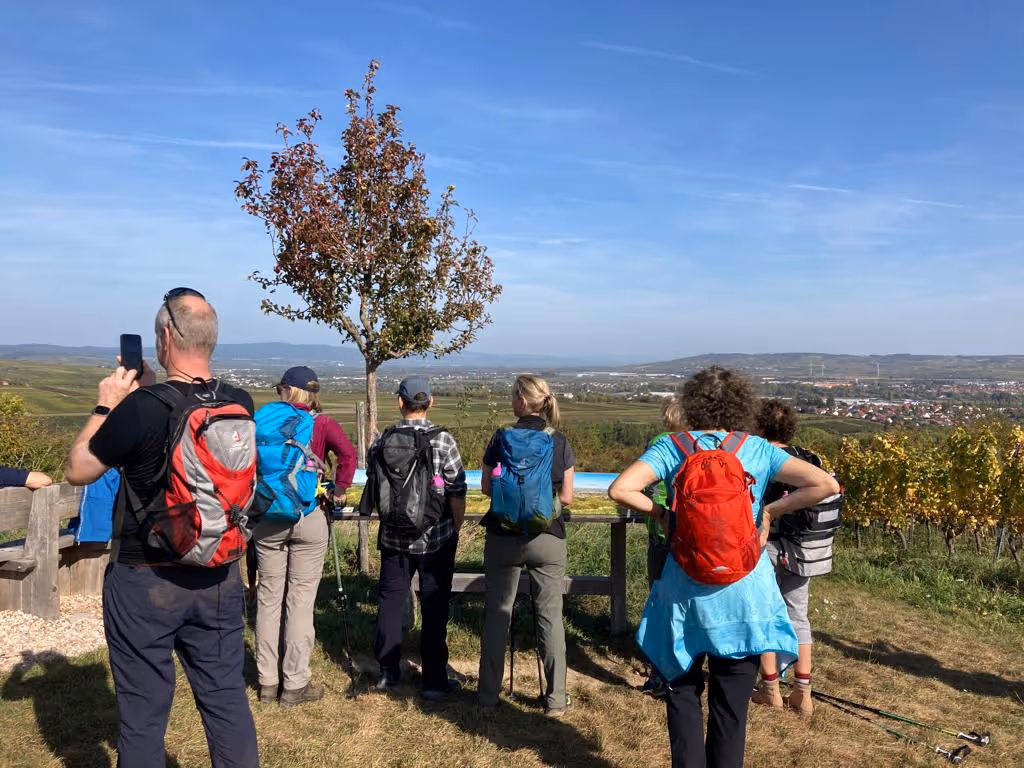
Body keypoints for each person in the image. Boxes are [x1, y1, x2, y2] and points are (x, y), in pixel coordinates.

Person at [64, 288, 259, 768]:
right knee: (226, 701)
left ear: (165, 338)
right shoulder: (240, 401)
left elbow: (78, 468)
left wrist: (108, 404)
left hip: (145, 576)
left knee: (143, 715)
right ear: (209, 340)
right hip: (218, 571)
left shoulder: (141, 406)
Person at [608, 366, 838, 768]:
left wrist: (663, 515)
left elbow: (620, 489)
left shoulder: (673, 446)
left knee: (682, 694)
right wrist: (768, 512)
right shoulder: (757, 449)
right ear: (741, 406)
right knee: (731, 708)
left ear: (693, 403)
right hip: (745, 596)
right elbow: (825, 485)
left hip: (684, 593)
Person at [253, 366, 356, 707]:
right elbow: (348, 454)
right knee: (300, 601)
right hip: (309, 515)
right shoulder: (321, 424)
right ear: (312, 393)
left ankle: (267, 681)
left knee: (268, 599)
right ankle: (295, 683)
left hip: (268, 518)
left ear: (283, 390)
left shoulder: (263, 421)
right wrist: (338, 489)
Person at [478, 374, 575, 716]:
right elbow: (566, 496)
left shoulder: (501, 436)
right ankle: (556, 700)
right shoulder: (558, 439)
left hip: (503, 536)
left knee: (496, 616)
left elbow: (487, 488)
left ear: (520, 400)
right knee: (549, 616)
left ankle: (488, 695)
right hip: (547, 538)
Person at [365, 376, 466, 700]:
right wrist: (456, 527)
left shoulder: (382, 441)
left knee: (391, 601)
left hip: (393, 537)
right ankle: (434, 679)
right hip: (436, 538)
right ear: (430, 403)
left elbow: (374, 481)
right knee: (435, 606)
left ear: (400, 402)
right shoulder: (443, 441)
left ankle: (387, 673)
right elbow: (457, 489)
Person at [750, 398, 821, 715]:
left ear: (760, 427)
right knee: (798, 617)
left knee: (764, 614)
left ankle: (770, 689)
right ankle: (803, 693)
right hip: (803, 550)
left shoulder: (763, 459)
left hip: (767, 547)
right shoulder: (808, 460)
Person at [638, 393, 686, 699]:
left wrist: (659, 516)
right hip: (692, 535)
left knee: (659, 601)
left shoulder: (660, 443)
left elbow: (647, 487)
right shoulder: (698, 445)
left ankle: (658, 672)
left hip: (662, 532)